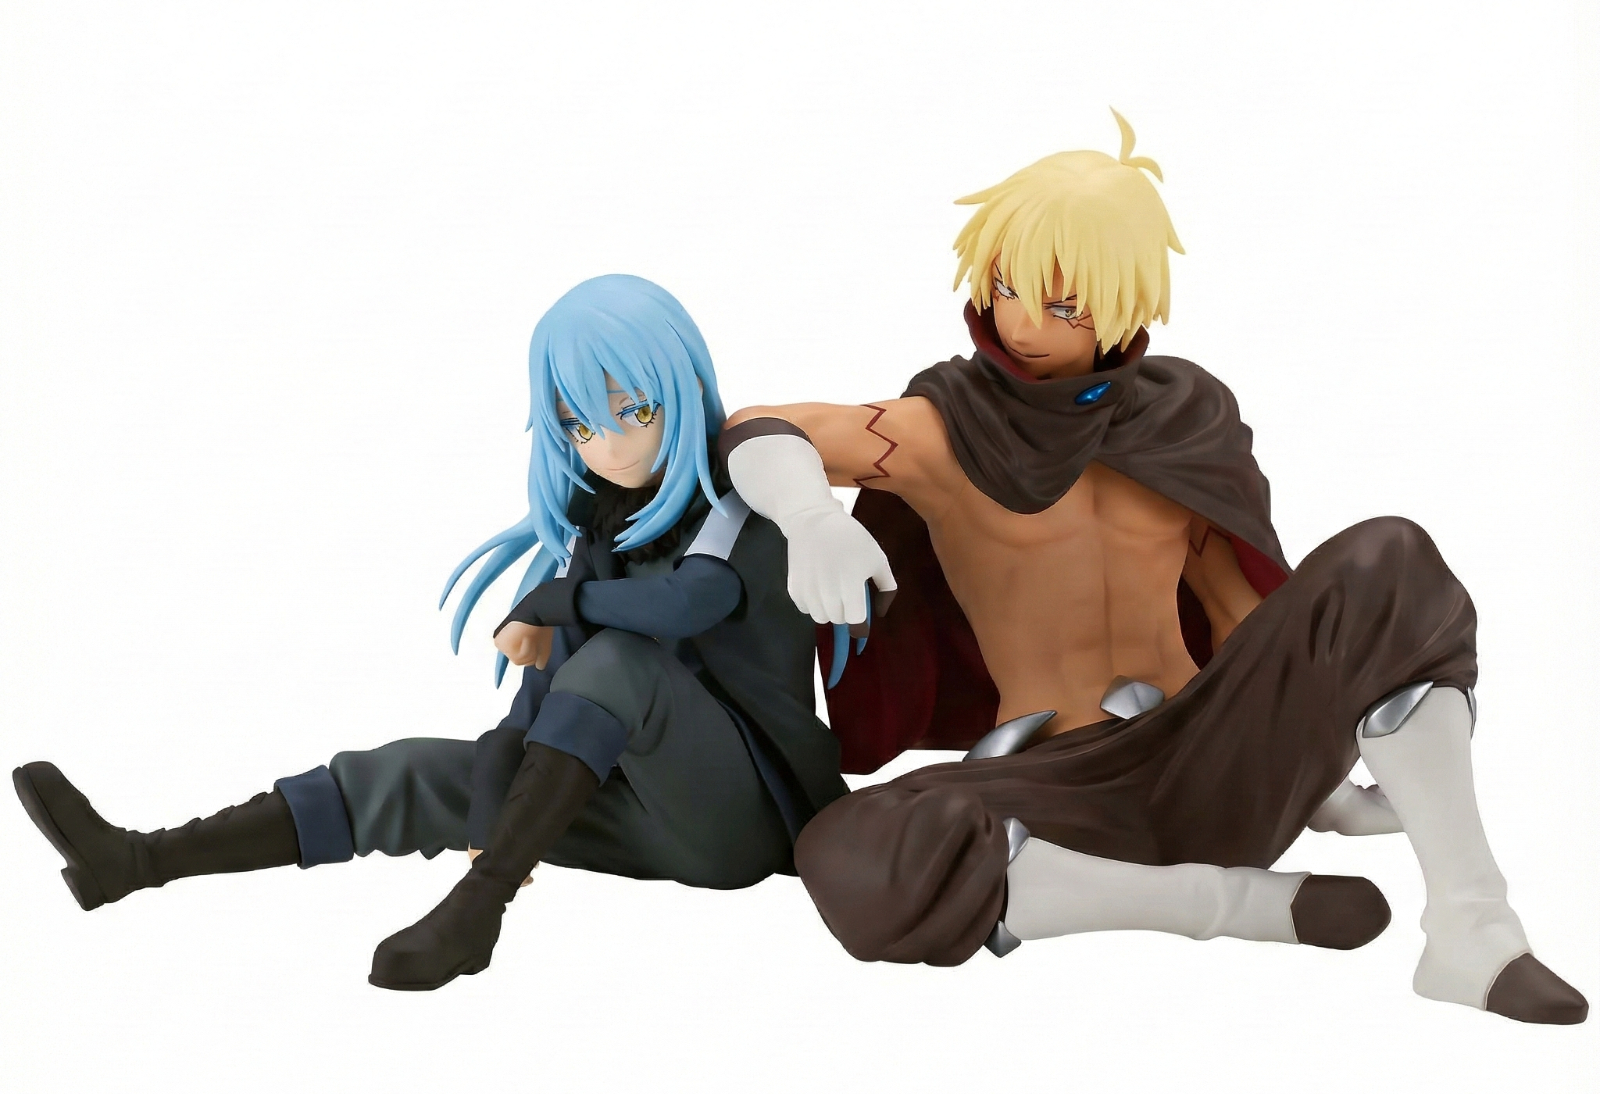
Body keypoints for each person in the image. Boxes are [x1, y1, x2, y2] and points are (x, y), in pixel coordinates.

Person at [715, 112, 1587, 1024]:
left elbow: (1242, 613)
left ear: (1127, 305)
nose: (1021, 322)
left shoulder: (1183, 417)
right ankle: (1240, 905)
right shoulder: (941, 433)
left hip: (1216, 754)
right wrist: (809, 516)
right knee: (848, 850)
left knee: (1390, 555)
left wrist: (1323, 775)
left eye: (1065, 306)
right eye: (1006, 286)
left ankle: (1473, 930)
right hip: (1064, 790)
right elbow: (761, 427)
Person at [13, 274, 847, 992]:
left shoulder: (740, 500)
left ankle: (478, 910)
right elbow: (543, 704)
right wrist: (490, 796)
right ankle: (138, 861)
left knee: (620, 662)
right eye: (580, 426)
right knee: (415, 772)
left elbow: (687, 606)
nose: (609, 445)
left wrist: (554, 603)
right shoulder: (596, 536)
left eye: (634, 409)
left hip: (746, 822)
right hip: (642, 816)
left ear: (684, 383)